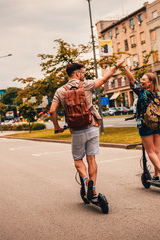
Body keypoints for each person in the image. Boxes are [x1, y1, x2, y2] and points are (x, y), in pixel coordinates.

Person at [50, 60, 124, 200]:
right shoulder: (86, 85)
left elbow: (52, 110)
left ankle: (84, 181)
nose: (83, 75)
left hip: (76, 130)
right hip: (92, 126)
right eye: (82, 72)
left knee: (78, 160)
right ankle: (93, 189)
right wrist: (115, 66)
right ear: (77, 73)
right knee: (91, 159)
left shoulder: (60, 91)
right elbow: (105, 78)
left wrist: (56, 126)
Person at [122, 64, 160, 183]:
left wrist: (124, 67)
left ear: (150, 82)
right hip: (158, 124)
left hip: (145, 124)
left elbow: (132, 80)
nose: (141, 81)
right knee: (157, 151)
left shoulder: (142, 92)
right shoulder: (157, 95)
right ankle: (157, 175)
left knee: (151, 152)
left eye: (143, 79)